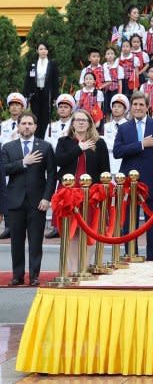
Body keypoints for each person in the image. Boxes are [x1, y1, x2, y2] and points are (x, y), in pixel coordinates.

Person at [113, 91, 153, 261]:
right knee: (129, 224)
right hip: (129, 183)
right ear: (131, 107)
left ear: (147, 107)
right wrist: (141, 144)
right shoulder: (123, 128)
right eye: (135, 104)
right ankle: (131, 256)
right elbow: (117, 152)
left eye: (141, 105)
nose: (138, 108)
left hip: (152, 181)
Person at [1, 112, 56, 286]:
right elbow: (4, 169)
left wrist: (47, 198)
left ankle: (34, 276)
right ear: (18, 127)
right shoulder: (8, 147)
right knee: (16, 242)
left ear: (35, 126)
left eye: (30, 123)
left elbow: (52, 175)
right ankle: (17, 275)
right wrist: (23, 162)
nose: (26, 126)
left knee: (35, 241)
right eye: (23, 123)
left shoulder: (45, 147)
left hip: (37, 202)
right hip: (15, 201)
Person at [54, 108, 111, 271]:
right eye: (76, 120)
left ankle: (84, 267)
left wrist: (103, 193)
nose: (80, 122)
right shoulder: (64, 141)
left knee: (89, 230)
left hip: (90, 193)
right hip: (69, 193)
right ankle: (73, 269)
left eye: (83, 120)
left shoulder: (99, 143)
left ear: (89, 123)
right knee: (71, 231)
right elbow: (60, 161)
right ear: (72, 124)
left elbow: (104, 169)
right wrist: (80, 148)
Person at [23, 42, 59, 138]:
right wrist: (26, 95)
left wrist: (56, 97)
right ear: (37, 51)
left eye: (45, 49)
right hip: (36, 93)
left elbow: (55, 81)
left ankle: (45, 138)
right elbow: (28, 80)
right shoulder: (32, 64)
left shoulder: (52, 64)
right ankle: (35, 137)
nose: (43, 51)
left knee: (46, 117)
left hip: (47, 94)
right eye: (41, 49)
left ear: (47, 51)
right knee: (35, 116)